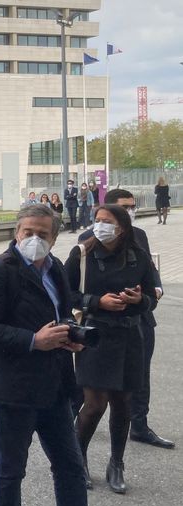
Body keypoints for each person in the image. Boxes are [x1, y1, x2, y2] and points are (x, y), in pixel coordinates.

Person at [0, 204, 132, 506]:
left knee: (71, 471)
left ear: (54, 237)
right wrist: (33, 340)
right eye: (28, 232)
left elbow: (60, 311)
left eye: (43, 234)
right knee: (11, 470)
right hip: (14, 390)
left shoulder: (55, 267)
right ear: (17, 232)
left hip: (56, 387)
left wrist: (66, 337)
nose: (35, 240)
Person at [68, 204, 159, 494]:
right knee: (94, 404)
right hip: (95, 335)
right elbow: (65, 294)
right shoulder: (82, 253)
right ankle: (76, 459)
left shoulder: (138, 255)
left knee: (123, 403)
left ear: (121, 227)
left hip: (131, 335)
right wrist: (98, 302)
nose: (100, 225)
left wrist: (138, 300)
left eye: (107, 221)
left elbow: (151, 296)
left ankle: (116, 463)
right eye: (97, 220)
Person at [78, 190, 172, 449]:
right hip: (98, 327)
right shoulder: (87, 243)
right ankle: (76, 437)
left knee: (133, 386)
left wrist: (153, 292)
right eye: (124, 207)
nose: (130, 211)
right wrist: (98, 302)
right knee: (93, 397)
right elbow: (71, 290)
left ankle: (139, 427)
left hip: (137, 323)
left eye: (132, 207)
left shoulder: (137, 238)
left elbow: (149, 273)